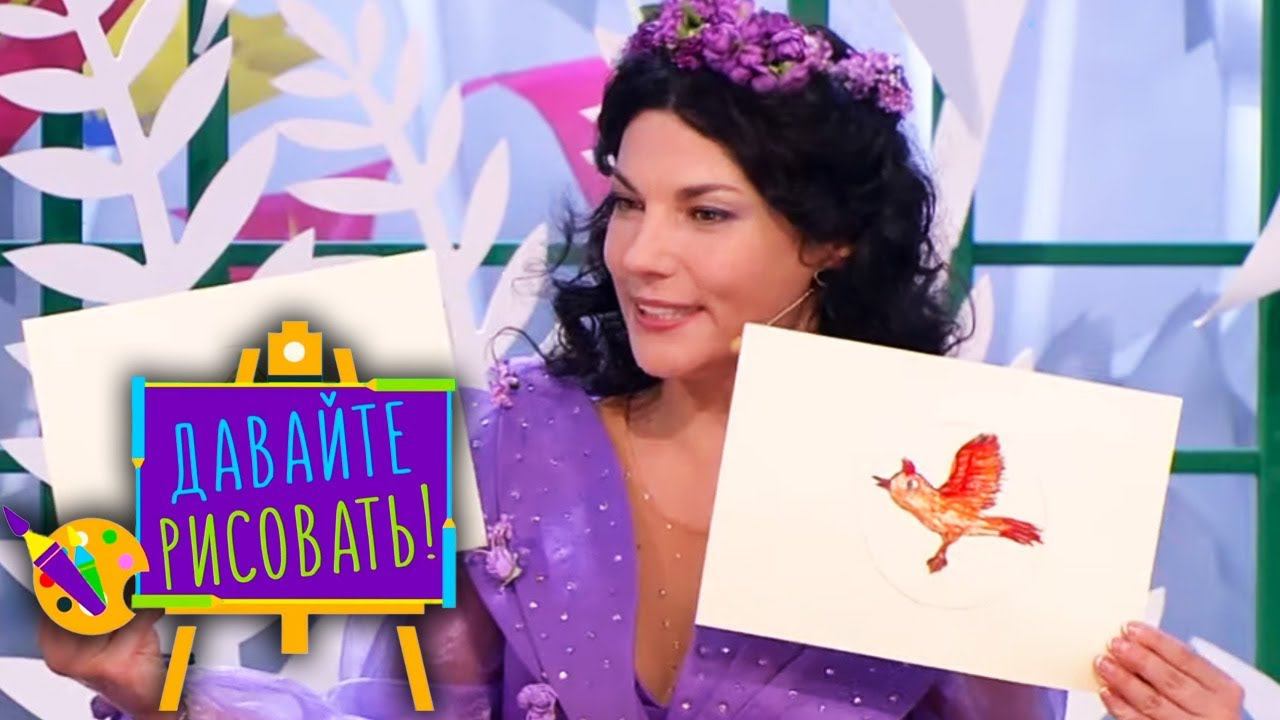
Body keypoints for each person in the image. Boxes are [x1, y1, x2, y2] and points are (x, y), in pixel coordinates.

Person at [38, 1, 1246, 718]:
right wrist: (160, 682)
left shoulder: (954, 477)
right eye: (625, 202)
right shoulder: (512, 439)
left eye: (704, 213)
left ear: (828, 238)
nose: (639, 255)